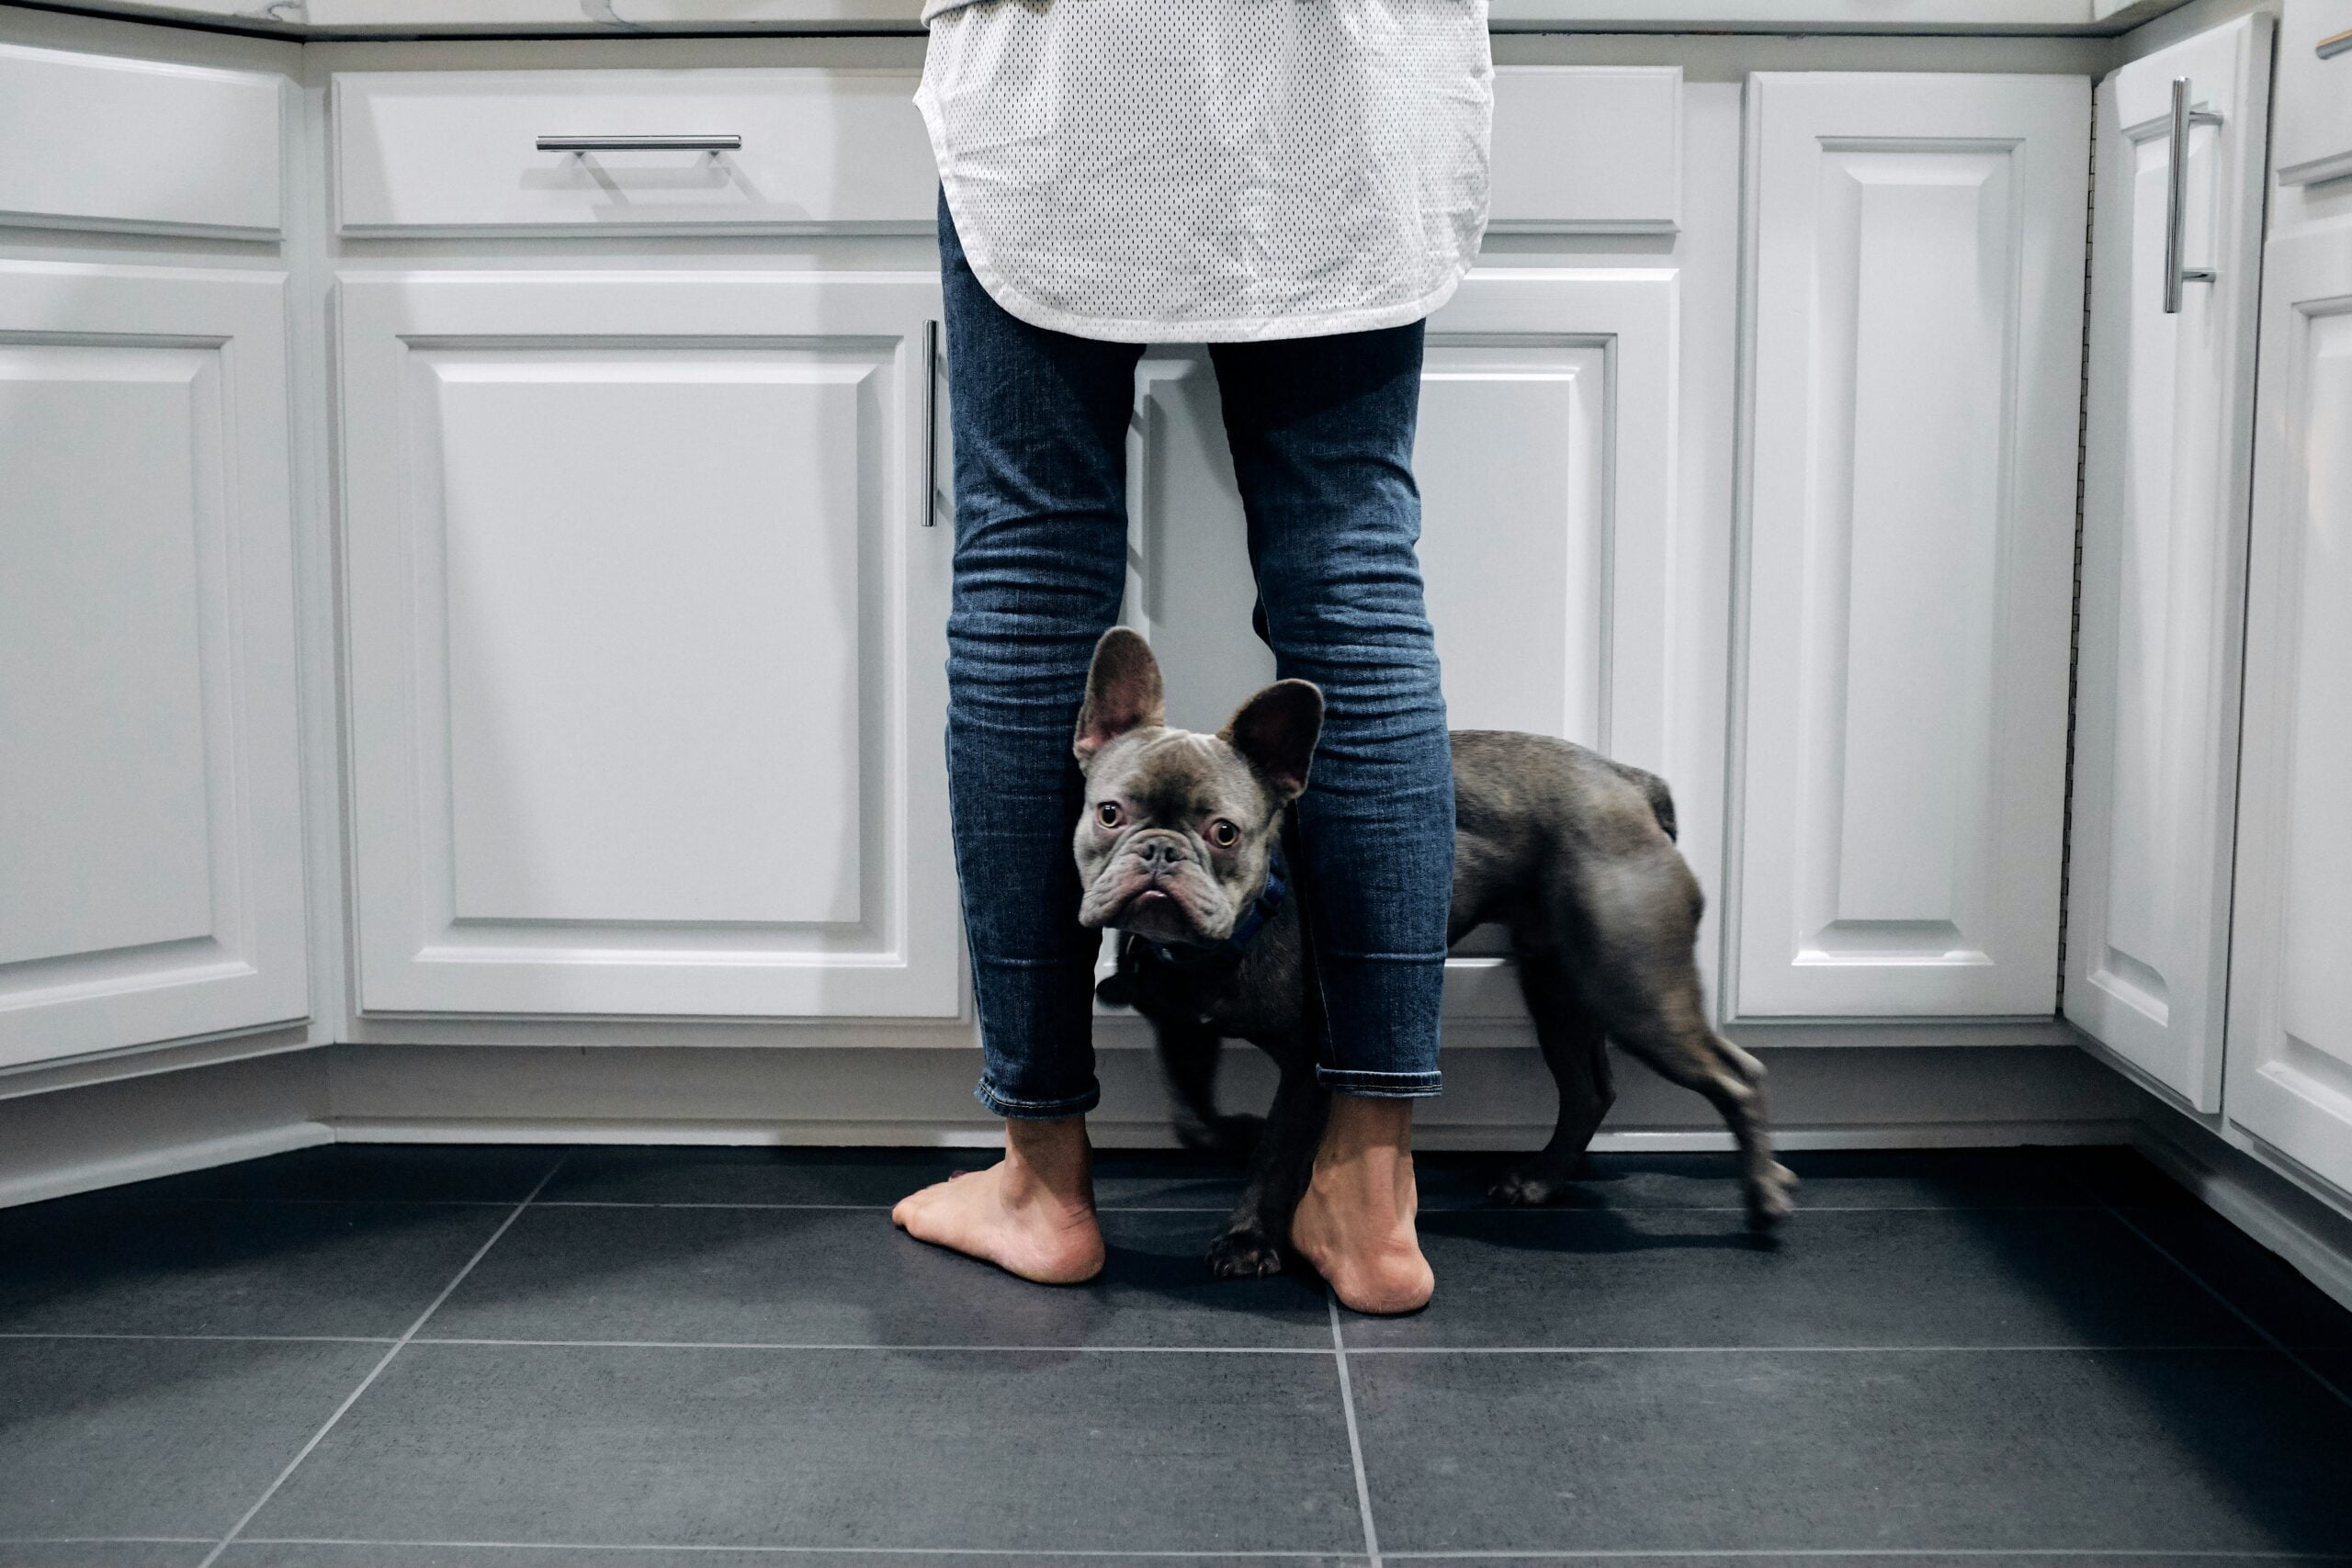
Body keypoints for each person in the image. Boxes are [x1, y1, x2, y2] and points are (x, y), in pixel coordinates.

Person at [889, 0, 1493, 1315]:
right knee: (1352, 557)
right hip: (1342, 59)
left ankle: (1041, 1183)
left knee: (1032, 563)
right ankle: (1372, 1200)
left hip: (1078, 58)